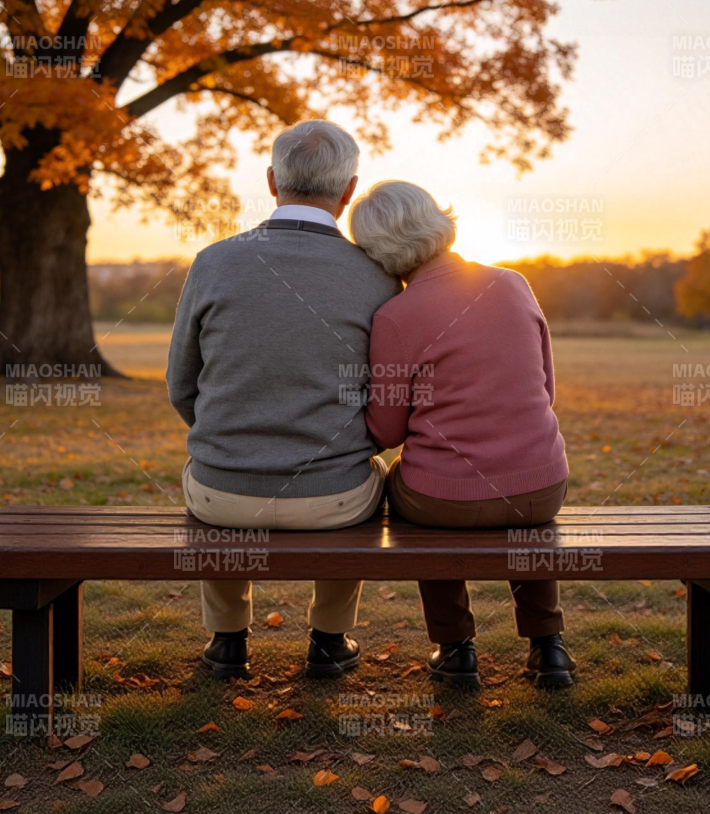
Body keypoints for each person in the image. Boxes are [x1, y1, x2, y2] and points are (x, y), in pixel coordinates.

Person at [168, 120, 400, 680]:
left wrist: (232, 436)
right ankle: (328, 638)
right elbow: (384, 395)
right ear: (348, 190)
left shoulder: (214, 262)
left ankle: (227, 641)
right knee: (366, 474)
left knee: (215, 476)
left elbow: (182, 385)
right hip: (334, 499)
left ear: (273, 181)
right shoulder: (378, 275)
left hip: (222, 493)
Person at [351, 180, 575, 688]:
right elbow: (546, 389)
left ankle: (455, 649)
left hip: (442, 500)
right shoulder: (513, 283)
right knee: (521, 509)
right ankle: (548, 647)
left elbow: (385, 429)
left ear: (379, 253)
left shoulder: (395, 316)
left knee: (401, 489)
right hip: (541, 489)